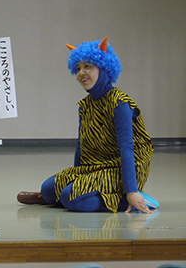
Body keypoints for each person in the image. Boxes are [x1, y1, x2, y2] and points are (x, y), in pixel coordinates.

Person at [17, 38, 158, 213]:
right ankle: (66, 196)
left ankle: (133, 198)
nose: (81, 73)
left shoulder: (120, 103)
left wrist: (131, 190)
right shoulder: (86, 105)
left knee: (70, 198)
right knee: (48, 189)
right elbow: (81, 145)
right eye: (78, 68)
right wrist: (77, 178)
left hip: (123, 169)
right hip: (96, 165)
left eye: (88, 66)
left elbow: (127, 148)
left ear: (104, 68)